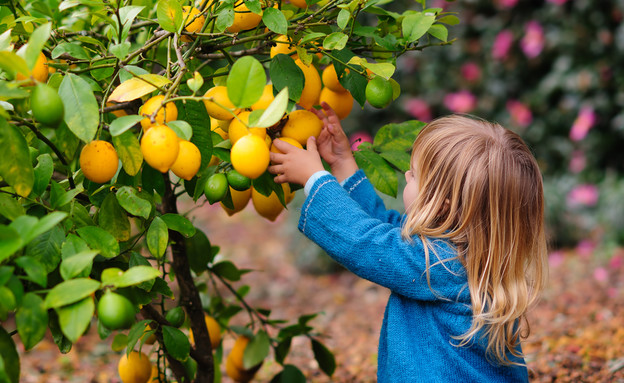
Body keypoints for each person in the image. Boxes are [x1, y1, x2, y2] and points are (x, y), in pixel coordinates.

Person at [268, 103, 548, 382]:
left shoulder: (442, 265)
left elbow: (368, 243)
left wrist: (315, 180)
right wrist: (342, 163)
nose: (406, 175)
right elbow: (385, 229)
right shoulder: (472, 255)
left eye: (414, 175)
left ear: (443, 206)